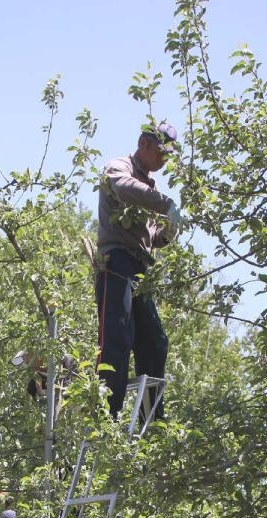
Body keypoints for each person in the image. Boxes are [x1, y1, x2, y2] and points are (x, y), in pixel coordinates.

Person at [95, 122, 182, 419]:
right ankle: (108, 418)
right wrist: (165, 204)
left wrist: (168, 233)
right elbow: (125, 189)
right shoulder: (119, 168)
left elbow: (154, 237)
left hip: (141, 270)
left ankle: (151, 420)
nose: (164, 160)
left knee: (155, 342)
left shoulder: (150, 188)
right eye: (161, 152)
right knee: (117, 338)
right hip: (116, 262)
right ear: (143, 144)